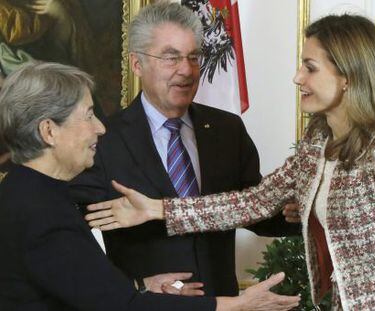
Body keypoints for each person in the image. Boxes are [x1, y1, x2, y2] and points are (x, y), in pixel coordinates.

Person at [86, 14, 375, 310]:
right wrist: (156, 211)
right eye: (171, 57)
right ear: (137, 64)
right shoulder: (317, 142)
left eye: (310, 67)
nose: (298, 77)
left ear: (348, 76)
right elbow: (254, 202)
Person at [0, 61, 301, 310]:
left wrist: (142, 285)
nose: (101, 128)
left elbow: (77, 287)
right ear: (49, 131)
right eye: (89, 116)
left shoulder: (27, 193)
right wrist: (236, 304)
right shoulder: (42, 213)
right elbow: (122, 307)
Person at [70, 1, 300, 297]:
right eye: (171, 58)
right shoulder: (103, 140)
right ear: (137, 64)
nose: (187, 70)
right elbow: (71, 241)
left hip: (223, 302)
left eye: (194, 57)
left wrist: (295, 213)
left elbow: (254, 208)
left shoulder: (227, 130)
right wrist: (135, 287)